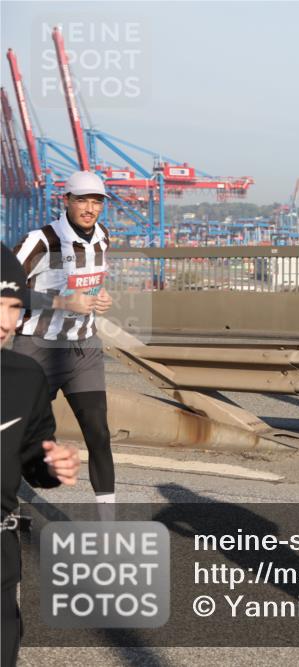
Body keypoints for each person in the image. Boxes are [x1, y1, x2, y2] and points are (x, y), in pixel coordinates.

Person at [10, 170, 115, 506]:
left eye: (96, 201)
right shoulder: (39, 241)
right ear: (66, 200)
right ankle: (7, 507)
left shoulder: (103, 236)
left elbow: (92, 281)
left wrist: (102, 298)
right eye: (82, 199)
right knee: (19, 434)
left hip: (84, 348)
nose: (90, 208)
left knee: (98, 432)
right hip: (37, 349)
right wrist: (62, 302)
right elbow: (6, 291)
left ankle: (108, 526)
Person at [2, 243, 81, 667]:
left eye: (14, 307)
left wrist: (51, 466)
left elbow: (34, 456)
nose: (4, 322)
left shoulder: (25, 377)